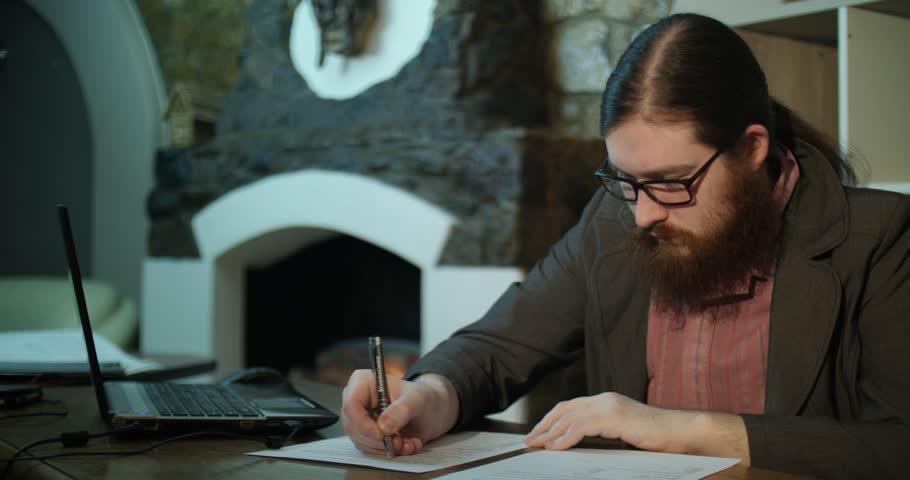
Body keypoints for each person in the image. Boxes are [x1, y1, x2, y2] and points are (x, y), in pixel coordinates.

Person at [341, 13, 910, 479]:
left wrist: (678, 430)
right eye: (626, 180)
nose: (644, 215)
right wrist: (429, 395)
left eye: (671, 183)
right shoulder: (614, 217)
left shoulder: (879, 239)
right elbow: (500, 345)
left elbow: (896, 446)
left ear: (752, 148)